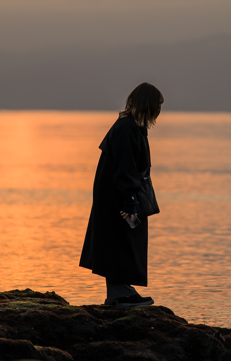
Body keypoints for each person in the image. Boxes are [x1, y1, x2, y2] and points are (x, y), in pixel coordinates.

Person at [79, 82, 164, 309]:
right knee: (120, 243)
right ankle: (119, 294)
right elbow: (125, 168)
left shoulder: (131, 126)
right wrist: (130, 201)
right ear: (148, 105)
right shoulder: (127, 127)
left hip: (116, 194)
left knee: (121, 243)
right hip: (117, 197)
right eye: (157, 106)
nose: (158, 111)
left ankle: (121, 291)